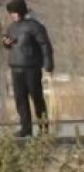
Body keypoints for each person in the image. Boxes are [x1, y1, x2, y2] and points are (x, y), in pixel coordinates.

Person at [2, 0, 53, 138]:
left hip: (32, 68)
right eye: (11, 13)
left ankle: (43, 129)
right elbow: (8, 44)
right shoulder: (11, 27)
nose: (12, 15)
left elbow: (45, 45)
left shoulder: (34, 26)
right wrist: (6, 43)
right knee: (20, 100)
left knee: (37, 98)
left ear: (21, 12)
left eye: (15, 12)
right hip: (16, 68)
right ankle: (26, 128)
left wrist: (48, 64)